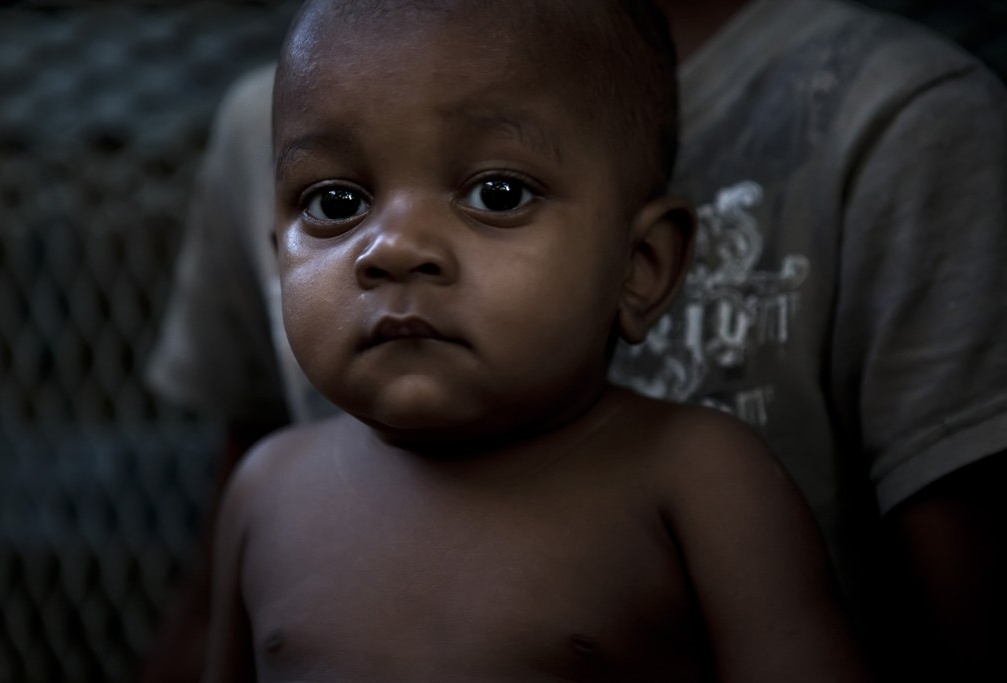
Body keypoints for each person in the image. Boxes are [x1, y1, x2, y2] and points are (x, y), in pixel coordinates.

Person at [146, 0, 1007, 680]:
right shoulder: (265, 495)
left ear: (641, 267)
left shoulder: (703, 481)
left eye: (496, 193)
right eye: (335, 204)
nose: (392, 247)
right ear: (277, 262)